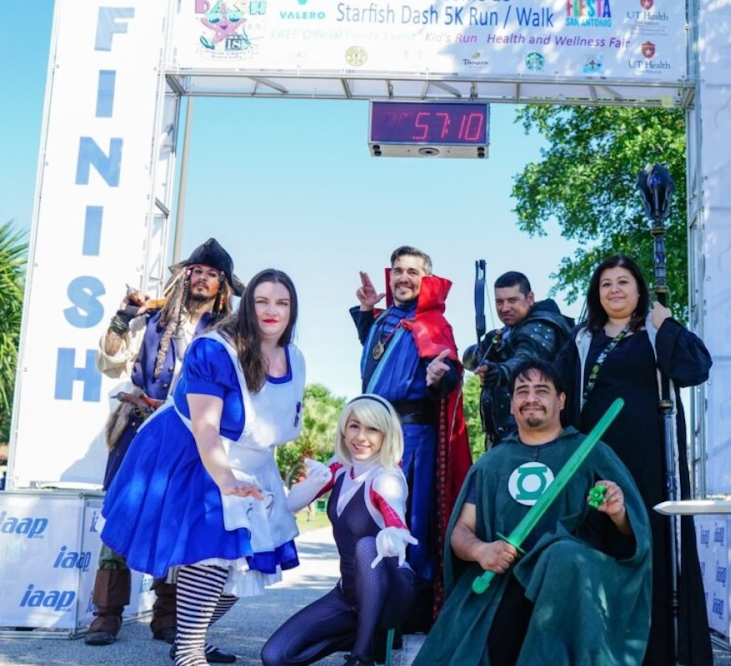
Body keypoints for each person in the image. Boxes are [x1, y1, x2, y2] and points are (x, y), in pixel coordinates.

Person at [101, 269, 306, 666]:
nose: (272, 310)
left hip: (252, 463)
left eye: (282, 303)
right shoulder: (214, 350)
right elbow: (206, 428)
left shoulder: (295, 358)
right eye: (262, 300)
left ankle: (188, 639)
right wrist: (226, 480)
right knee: (213, 551)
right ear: (248, 305)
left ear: (292, 311)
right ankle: (190, 653)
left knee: (250, 561)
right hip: (193, 453)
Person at [412, 358, 652, 666]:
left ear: (561, 400)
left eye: (542, 390)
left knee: (563, 556)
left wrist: (617, 512)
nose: (531, 398)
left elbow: (632, 536)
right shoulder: (491, 464)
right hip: (501, 585)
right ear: (511, 404)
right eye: (521, 391)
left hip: (571, 588)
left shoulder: (594, 455)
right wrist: (482, 551)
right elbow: (461, 531)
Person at [86, 237, 242, 656]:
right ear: (185, 275)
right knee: (122, 510)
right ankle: (107, 611)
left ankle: (168, 616)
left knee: (180, 519)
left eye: (213, 274)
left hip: (193, 438)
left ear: (223, 285)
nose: (203, 278)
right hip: (141, 428)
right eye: (197, 270)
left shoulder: (227, 332)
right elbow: (110, 362)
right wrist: (122, 319)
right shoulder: (153, 318)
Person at [555, 253, 713, 666]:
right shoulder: (582, 339)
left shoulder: (654, 331)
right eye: (606, 283)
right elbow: (555, 389)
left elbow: (697, 368)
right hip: (596, 459)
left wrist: (667, 324)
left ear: (639, 289)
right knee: (600, 542)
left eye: (623, 281)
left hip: (652, 458)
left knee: (656, 541)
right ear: (597, 293)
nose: (615, 290)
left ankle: (662, 650)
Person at [351, 245, 472, 623]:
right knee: (369, 517)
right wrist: (367, 314)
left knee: (409, 521)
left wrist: (443, 377)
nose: (403, 277)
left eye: (413, 272)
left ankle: (410, 608)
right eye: (398, 270)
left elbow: (447, 367)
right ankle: (369, 602)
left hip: (411, 437)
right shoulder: (385, 318)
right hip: (373, 435)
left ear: (427, 280)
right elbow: (380, 359)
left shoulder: (432, 322)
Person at [262, 395, 418, 666]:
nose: (361, 437)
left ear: (386, 434)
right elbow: (291, 504)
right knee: (275, 656)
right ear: (344, 430)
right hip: (348, 594)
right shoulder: (340, 468)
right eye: (354, 426)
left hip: (391, 593)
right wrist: (314, 483)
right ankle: (366, 636)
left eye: (372, 429)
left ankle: (361, 656)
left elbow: (395, 519)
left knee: (367, 545)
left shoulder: (387, 477)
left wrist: (393, 535)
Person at [461, 270, 574, 447]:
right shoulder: (507, 332)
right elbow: (467, 360)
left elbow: (525, 362)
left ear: (530, 298)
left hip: (536, 433)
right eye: (499, 302)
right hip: (506, 436)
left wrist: (499, 372)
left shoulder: (542, 325)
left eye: (512, 300)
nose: (505, 308)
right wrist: (485, 348)